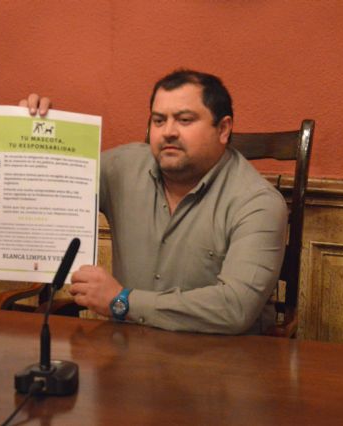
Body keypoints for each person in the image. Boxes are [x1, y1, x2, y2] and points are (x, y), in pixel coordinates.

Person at [20, 69, 287, 334]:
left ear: (223, 129)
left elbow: (235, 308)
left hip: (222, 354)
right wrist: (31, 134)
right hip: (127, 349)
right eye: (159, 120)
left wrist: (122, 301)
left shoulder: (258, 202)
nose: (168, 132)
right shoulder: (123, 168)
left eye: (184, 120)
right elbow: (48, 188)